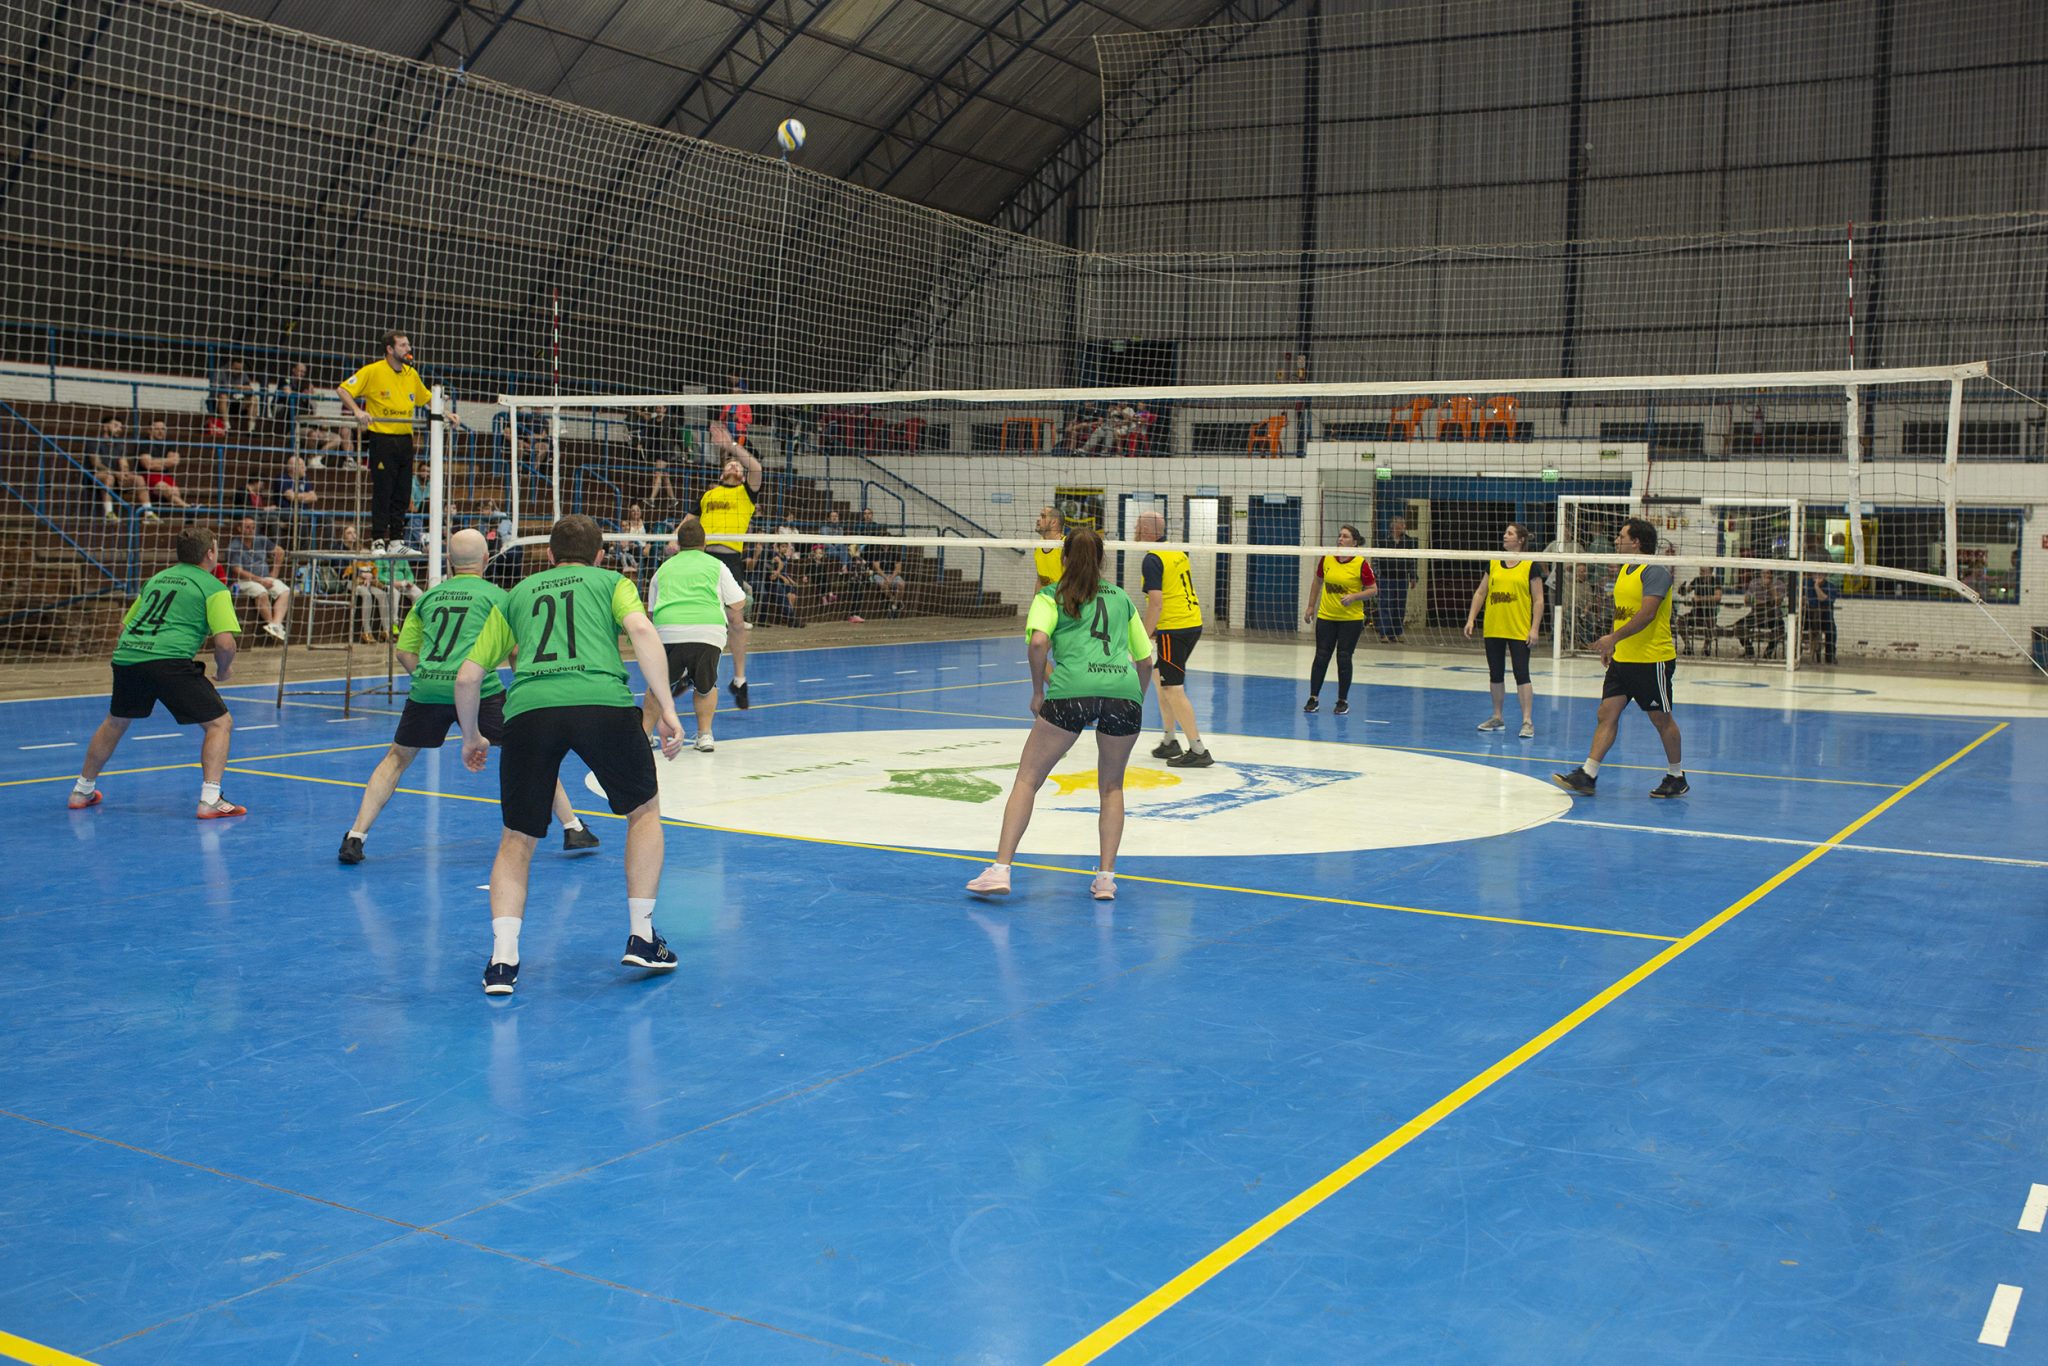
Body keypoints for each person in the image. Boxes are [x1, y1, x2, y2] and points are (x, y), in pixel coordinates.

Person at [453, 514, 683, 996]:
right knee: (643, 812)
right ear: (600, 555)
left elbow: (469, 676)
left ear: (550, 555)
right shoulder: (612, 582)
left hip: (530, 711)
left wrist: (472, 735)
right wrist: (665, 707)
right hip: (603, 704)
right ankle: (642, 935)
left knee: (516, 838)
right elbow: (642, 632)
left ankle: (503, 961)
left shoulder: (517, 595)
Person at [339, 528, 599, 865]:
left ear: (449, 561)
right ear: (487, 559)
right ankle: (573, 828)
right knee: (529, 754)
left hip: (428, 688)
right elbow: (516, 651)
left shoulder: (429, 598)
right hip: (481, 690)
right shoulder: (498, 597)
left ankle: (356, 836)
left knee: (397, 759)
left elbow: (404, 652)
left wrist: (431, 679)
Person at [967, 528, 1154, 901]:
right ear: (1101, 560)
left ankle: (1000, 869)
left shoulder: (1051, 596)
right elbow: (1145, 660)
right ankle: (1105, 879)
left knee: (1028, 779)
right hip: (1123, 693)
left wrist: (1038, 691)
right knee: (1112, 787)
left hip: (1071, 692)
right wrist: (1136, 698)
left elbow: (1038, 642)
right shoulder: (1122, 599)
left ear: (1064, 558)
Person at [68, 527, 246, 818]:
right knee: (219, 724)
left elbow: (123, 627)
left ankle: (81, 790)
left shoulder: (156, 580)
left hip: (127, 656)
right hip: (169, 661)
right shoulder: (214, 588)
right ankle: (210, 799)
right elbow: (225, 643)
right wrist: (224, 669)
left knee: (115, 721)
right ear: (210, 554)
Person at [1552, 517, 1687, 799]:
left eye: (1621, 536)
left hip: (1651, 660)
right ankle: (1588, 774)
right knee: (1606, 713)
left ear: (1636, 542)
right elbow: (1622, 613)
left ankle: (1676, 776)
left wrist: (1613, 638)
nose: (1616, 540)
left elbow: (1647, 614)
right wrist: (1613, 647)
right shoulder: (1625, 568)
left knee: (1661, 720)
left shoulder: (1655, 572)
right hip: (1623, 659)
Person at [641, 516, 749, 753]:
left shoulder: (663, 569)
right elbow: (739, 602)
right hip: (708, 633)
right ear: (705, 542)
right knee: (706, 687)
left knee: (658, 687)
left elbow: (651, 611)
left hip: (668, 632)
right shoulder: (716, 566)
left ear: (678, 544)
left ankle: (644, 735)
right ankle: (705, 735)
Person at [337, 330, 433, 553]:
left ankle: (397, 541)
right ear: (390, 349)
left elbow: (427, 399)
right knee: (383, 491)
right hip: (382, 439)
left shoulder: (411, 374)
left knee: (402, 493)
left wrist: (446, 413)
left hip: (405, 440)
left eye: (408, 344)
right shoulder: (373, 371)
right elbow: (343, 389)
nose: (408, 349)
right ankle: (378, 539)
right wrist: (357, 411)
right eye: (403, 345)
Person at [1136, 511, 1211, 767]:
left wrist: (1142, 636)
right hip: (1192, 623)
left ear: (1147, 531)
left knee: (1172, 688)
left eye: (1137, 527)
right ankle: (1170, 740)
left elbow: (1156, 603)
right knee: (1160, 678)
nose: (1134, 532)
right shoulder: (1176, 551)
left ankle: (1198, 750)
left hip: (1174, 628)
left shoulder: (1152, 559)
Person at [1464, 522, 1547, 738]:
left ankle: (1527, 721)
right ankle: (1497, 717)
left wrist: (1534, 628)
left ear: (1520, 540)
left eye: (1509, 533)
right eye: (1505, 533)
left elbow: (1539, 600)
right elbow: (1481, 592)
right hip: (1494, 628)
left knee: (1522, 674)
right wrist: (1471, 619)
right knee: (1495, 673)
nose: (1505, 536)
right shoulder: (1494, 562)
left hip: (1519, 629)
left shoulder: (1530, 565)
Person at [1302, 524, 1378, 714]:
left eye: (1345, 536)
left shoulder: (1360, 563)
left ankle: (1342, 701)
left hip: (1351, 619)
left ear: (1354, 542)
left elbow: (1373, 590)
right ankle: (1313, 698)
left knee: (1344, 658)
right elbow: (1317, 581)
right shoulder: (1327, 558)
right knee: (1321, 656)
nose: (1340, 539)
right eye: (1340, 536)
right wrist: (1310, 606)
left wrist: (1354, 597)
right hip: (1326, 616)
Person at [699, 400, 763, 615]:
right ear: (721, 474)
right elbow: (690, 518)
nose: (734, 464)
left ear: (743, 477)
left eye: (738, 465)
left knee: (734, 614)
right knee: (706, 608)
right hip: (705, 556)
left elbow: (756, 468)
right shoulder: (709, 494)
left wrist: (731, 445)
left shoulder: (746, 493)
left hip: (731, 558)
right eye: (729, 464)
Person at [222, 514, 291, 641]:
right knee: (261, 592)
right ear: (239, 529)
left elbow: (280, 551)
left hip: (265, 578)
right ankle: (271, 623)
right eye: (247, 527)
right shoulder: (234, 546)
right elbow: (238, 571)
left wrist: (275, 571)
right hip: (242, 582)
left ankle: (275, 625)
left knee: (285, 591)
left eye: (253, 527)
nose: (251, 530)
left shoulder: (261, 540)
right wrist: (261, 580)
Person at [83, 415, 155, 520]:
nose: (119, 429)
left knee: (139, 479)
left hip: (115, 476)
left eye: (120, 427)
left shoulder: (120, 445)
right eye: (115, 426)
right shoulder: (94, 442)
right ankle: (109, 513)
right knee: (109, 477)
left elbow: (123, 462)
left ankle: (149, 514)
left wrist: (125, 472)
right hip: (94, 477)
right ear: (105, 427)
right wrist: (116, 473)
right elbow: (97, 464)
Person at [1376, 513, 1417, 643]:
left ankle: (1396, 633)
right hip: (1386, 577)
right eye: (1399, 525)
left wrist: (1413, 576)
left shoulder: (1408, 541)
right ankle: (1384, 633)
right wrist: (1377, 575)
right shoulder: (1383, 540)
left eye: (1403, 525)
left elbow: (1412, 560)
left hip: (1402, 578)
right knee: (1385, 604)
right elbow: (1376, 558)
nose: (1402, 527)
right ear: (1393, 526)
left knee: (1399, 606)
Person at [209, 357, 260, 432]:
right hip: (222, 403)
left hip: (237, 402)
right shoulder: (220, 372)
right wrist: (233, 388)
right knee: (223, 396)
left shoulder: (243, 374)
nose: (238, 372)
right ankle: (227, 426)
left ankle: (251, 429)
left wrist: (244, 388)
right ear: (230, 365)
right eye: (236, 369)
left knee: (254, 399)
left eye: (240, 369)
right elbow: (213, 390)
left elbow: (249, 389)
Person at [1033, 505, 1064, 588]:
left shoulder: (1066, 545)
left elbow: (1074, 580)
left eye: (1043, 516)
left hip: (1062, 594)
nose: (1038, 519)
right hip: (1045, 595)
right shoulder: (1038, 546)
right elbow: (1040, 580)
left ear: (1054, 522)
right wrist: (1036, 596)